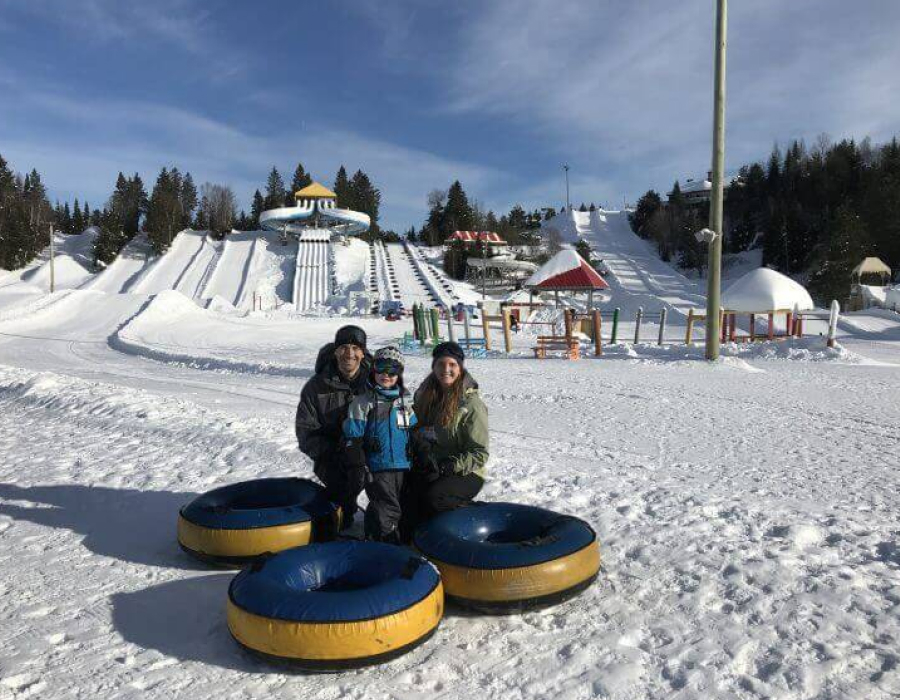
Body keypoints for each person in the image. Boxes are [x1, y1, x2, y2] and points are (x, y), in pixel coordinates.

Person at [295, 325, 371, 529]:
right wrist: (333, 451)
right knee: (342, 488)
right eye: (344, 347)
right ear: (335, 350)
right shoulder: (316, 387)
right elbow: (306, 431)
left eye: (356, 348)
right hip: (332, 455)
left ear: (363, 353)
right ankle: (340, 515)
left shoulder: (376, 381)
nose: (350, 354)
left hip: (370, 452)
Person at [406, 341, 488, 528]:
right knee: (407, 498)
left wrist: (452, 465)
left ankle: (475, 514)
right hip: (432, 466)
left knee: (435, 498)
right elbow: (416, 428)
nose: (446, 369)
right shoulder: (424, 395)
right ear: (434, 367)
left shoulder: (471, 404)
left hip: (465, 471)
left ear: (460, 368)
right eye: (441, 364)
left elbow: (480, 453)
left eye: (452, 364)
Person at [341, 346, 416, 543]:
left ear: (399, 374)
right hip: (378, 465)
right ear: (374, 369)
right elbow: (353, 434)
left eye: (393, 371)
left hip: (403, 464)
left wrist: (422, 446)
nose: (386, 375)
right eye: (382, 368)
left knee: (400, 504)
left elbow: (413, 430)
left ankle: (386, 535)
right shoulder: (363, 402)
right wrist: (357, 456)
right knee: (387, 506)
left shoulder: (404, 401)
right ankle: (384, 542)